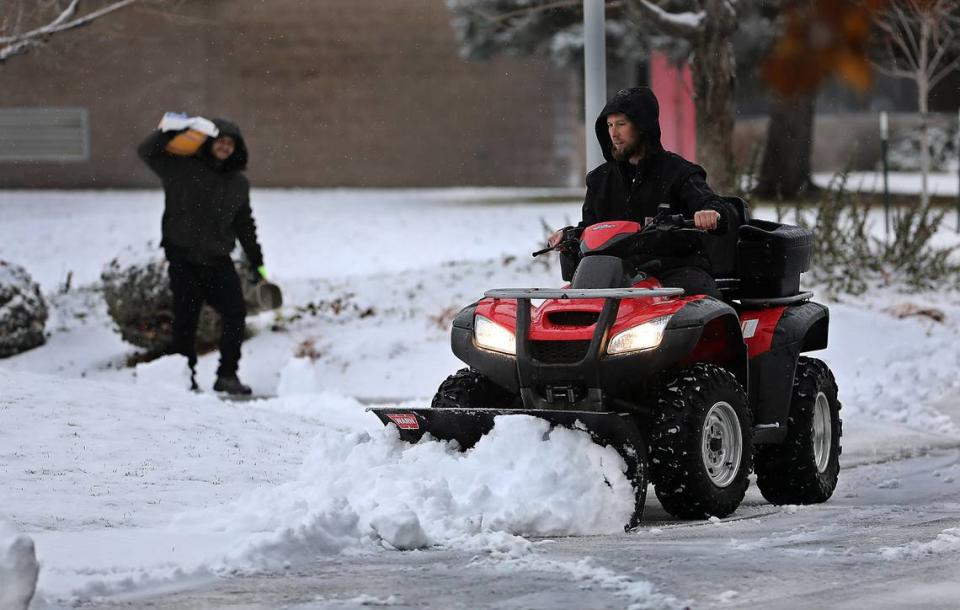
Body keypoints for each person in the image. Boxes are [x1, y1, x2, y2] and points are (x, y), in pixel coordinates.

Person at [548, 87, 729, 299]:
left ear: (643, 127)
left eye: (621, 124)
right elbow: (591, 228)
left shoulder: (679, 172)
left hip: (673, 272)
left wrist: (709, 213)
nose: (613, 133)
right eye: (609, 125)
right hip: (615, 276)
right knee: (568, 307)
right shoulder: (600, 179)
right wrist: (570, 237)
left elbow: (713, 204)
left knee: (700, 306)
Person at [138, 114, 266, 395]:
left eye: (230, 143)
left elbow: (245, 224)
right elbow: (147, 151)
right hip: (183, 259)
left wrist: (258, 263)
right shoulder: (180, 168)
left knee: (236, 313)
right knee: (186, 320)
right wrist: (174, 130)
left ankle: (227, 375)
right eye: (220, 140)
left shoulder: (238, 184)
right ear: (209, 142)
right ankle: (186, 377)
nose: (224, 146)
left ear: (236, 148)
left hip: (218, 260)